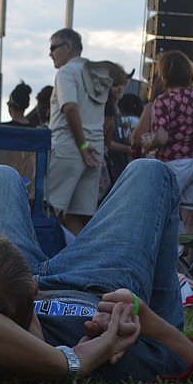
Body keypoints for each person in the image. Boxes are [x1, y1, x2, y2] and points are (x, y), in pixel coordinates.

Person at [0, 160, 193, 384]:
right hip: (97, 286)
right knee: (151, 171)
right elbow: (188, 361)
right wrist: (138, 311)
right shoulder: (106, 344)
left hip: (3, 276)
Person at [141, 50, 193, 246]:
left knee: (163, 213)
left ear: (164, 74)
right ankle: (186, 269)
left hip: (176, 162)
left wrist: (149, 143)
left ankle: (166, 266)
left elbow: (162, 138)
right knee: (189, 220)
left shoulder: (164, 101)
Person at [46, 28, 112, 236]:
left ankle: (43, 262)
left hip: (70, 147)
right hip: (95, 150)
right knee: (79, 215)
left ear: (68, 47)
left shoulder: (66, 72)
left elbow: (70, 108)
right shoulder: (97, 74)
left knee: (48, 208)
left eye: (53, 48)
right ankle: (81, 263)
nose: (51, 54)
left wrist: (82, 145)